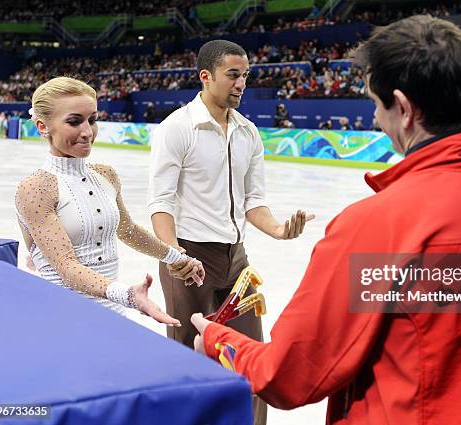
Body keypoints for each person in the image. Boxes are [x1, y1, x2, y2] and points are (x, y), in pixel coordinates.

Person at [191, 16, 461, 424]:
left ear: (404, 108)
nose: (377, 120)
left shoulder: (373, 230)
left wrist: (219, 340)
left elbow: (289, 375)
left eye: (377, 105)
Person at [148, 40, 314, 425]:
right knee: (189, 361)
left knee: (252, 356)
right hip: (188, 258)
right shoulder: (177, 128)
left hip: (236, 260)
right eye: (233, 75)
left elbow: (254, 201)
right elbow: (160, 203)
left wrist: (277, 230)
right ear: (206, 77)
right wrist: (175, 256)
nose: (241, 84)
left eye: (246, 76)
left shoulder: (248, 133)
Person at [15, 77, 204, 325]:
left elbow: (128, 231)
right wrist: (129, 295)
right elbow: (66, 267)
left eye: (92, 120)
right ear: (42, 126)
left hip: (112, 312)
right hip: (63, 315)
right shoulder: (35, 189)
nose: (87, 132)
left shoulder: (106, 175)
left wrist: (177, 258)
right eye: (74, 121)